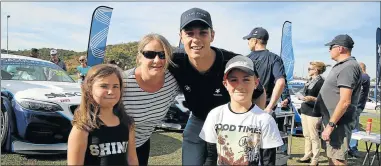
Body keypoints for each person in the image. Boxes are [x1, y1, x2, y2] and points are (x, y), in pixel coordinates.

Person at [168, 8, 266, 165]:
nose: (196, 39)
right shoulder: (174, 60)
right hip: (198, 119)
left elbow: (259, 92)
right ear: (181, 36)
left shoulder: (234, 62)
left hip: (232, 123)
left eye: (202, 33)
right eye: (189, 33)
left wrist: (253, 126)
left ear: (212, 35)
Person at [200, 55, 283, 166]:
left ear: (256, 83)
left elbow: (268, 162)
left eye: (246, 79)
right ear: (225, 84)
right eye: (233, 80)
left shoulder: (265, 120)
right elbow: (210, 158)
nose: (240, 86)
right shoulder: (215, 115)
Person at [122, 33, 179, 166]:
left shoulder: (173, 82)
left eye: (163, 54)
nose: (157, 60)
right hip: (114, 146)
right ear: (139, 57)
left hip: (142, 144)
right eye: (150, 54)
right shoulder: (122, 82)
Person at [67, 64, 138, 166]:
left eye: (115, 86)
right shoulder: (83, 127)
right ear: (89, 90)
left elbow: (132, 159)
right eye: (104, 86)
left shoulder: (127, 123)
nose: (111, 91)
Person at [314, 34, 361, 165]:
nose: (329, 50)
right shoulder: (342, 65)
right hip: (332, 120)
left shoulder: (348, 67)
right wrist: (323, 119)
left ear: (340, 48)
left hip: (338, 123)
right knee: (332, 156)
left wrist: (330, 125)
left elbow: (345, 101)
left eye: (331, 47)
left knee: (338, 159)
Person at [243, 27, 287, 114]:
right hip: (265, 108)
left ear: (255, 41)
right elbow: (281, 82)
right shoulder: (274, 58)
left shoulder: (245, 59)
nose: (248, 43)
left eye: (249, 40)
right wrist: (270, 107)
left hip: (246, 108)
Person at [296, 61, 328, 166]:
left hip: (314, 112)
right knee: (306, 135)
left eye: (310, 69)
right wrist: (300, 95)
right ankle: (307, 155)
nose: (308, 70)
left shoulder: (321, 82)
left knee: (314, 136)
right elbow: (304, 92)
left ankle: (315, 159)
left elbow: (323, 98)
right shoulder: (310, 80)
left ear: (316, 70)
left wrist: (312, 98)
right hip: (305, 109)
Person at [348, 62, 370, 158]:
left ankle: (353, 148)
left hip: (356, 106)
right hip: (357, 106)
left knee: (354, 127)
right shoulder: (364, 77)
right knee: (352, 126)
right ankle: (351, 148)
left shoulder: (364, 77)